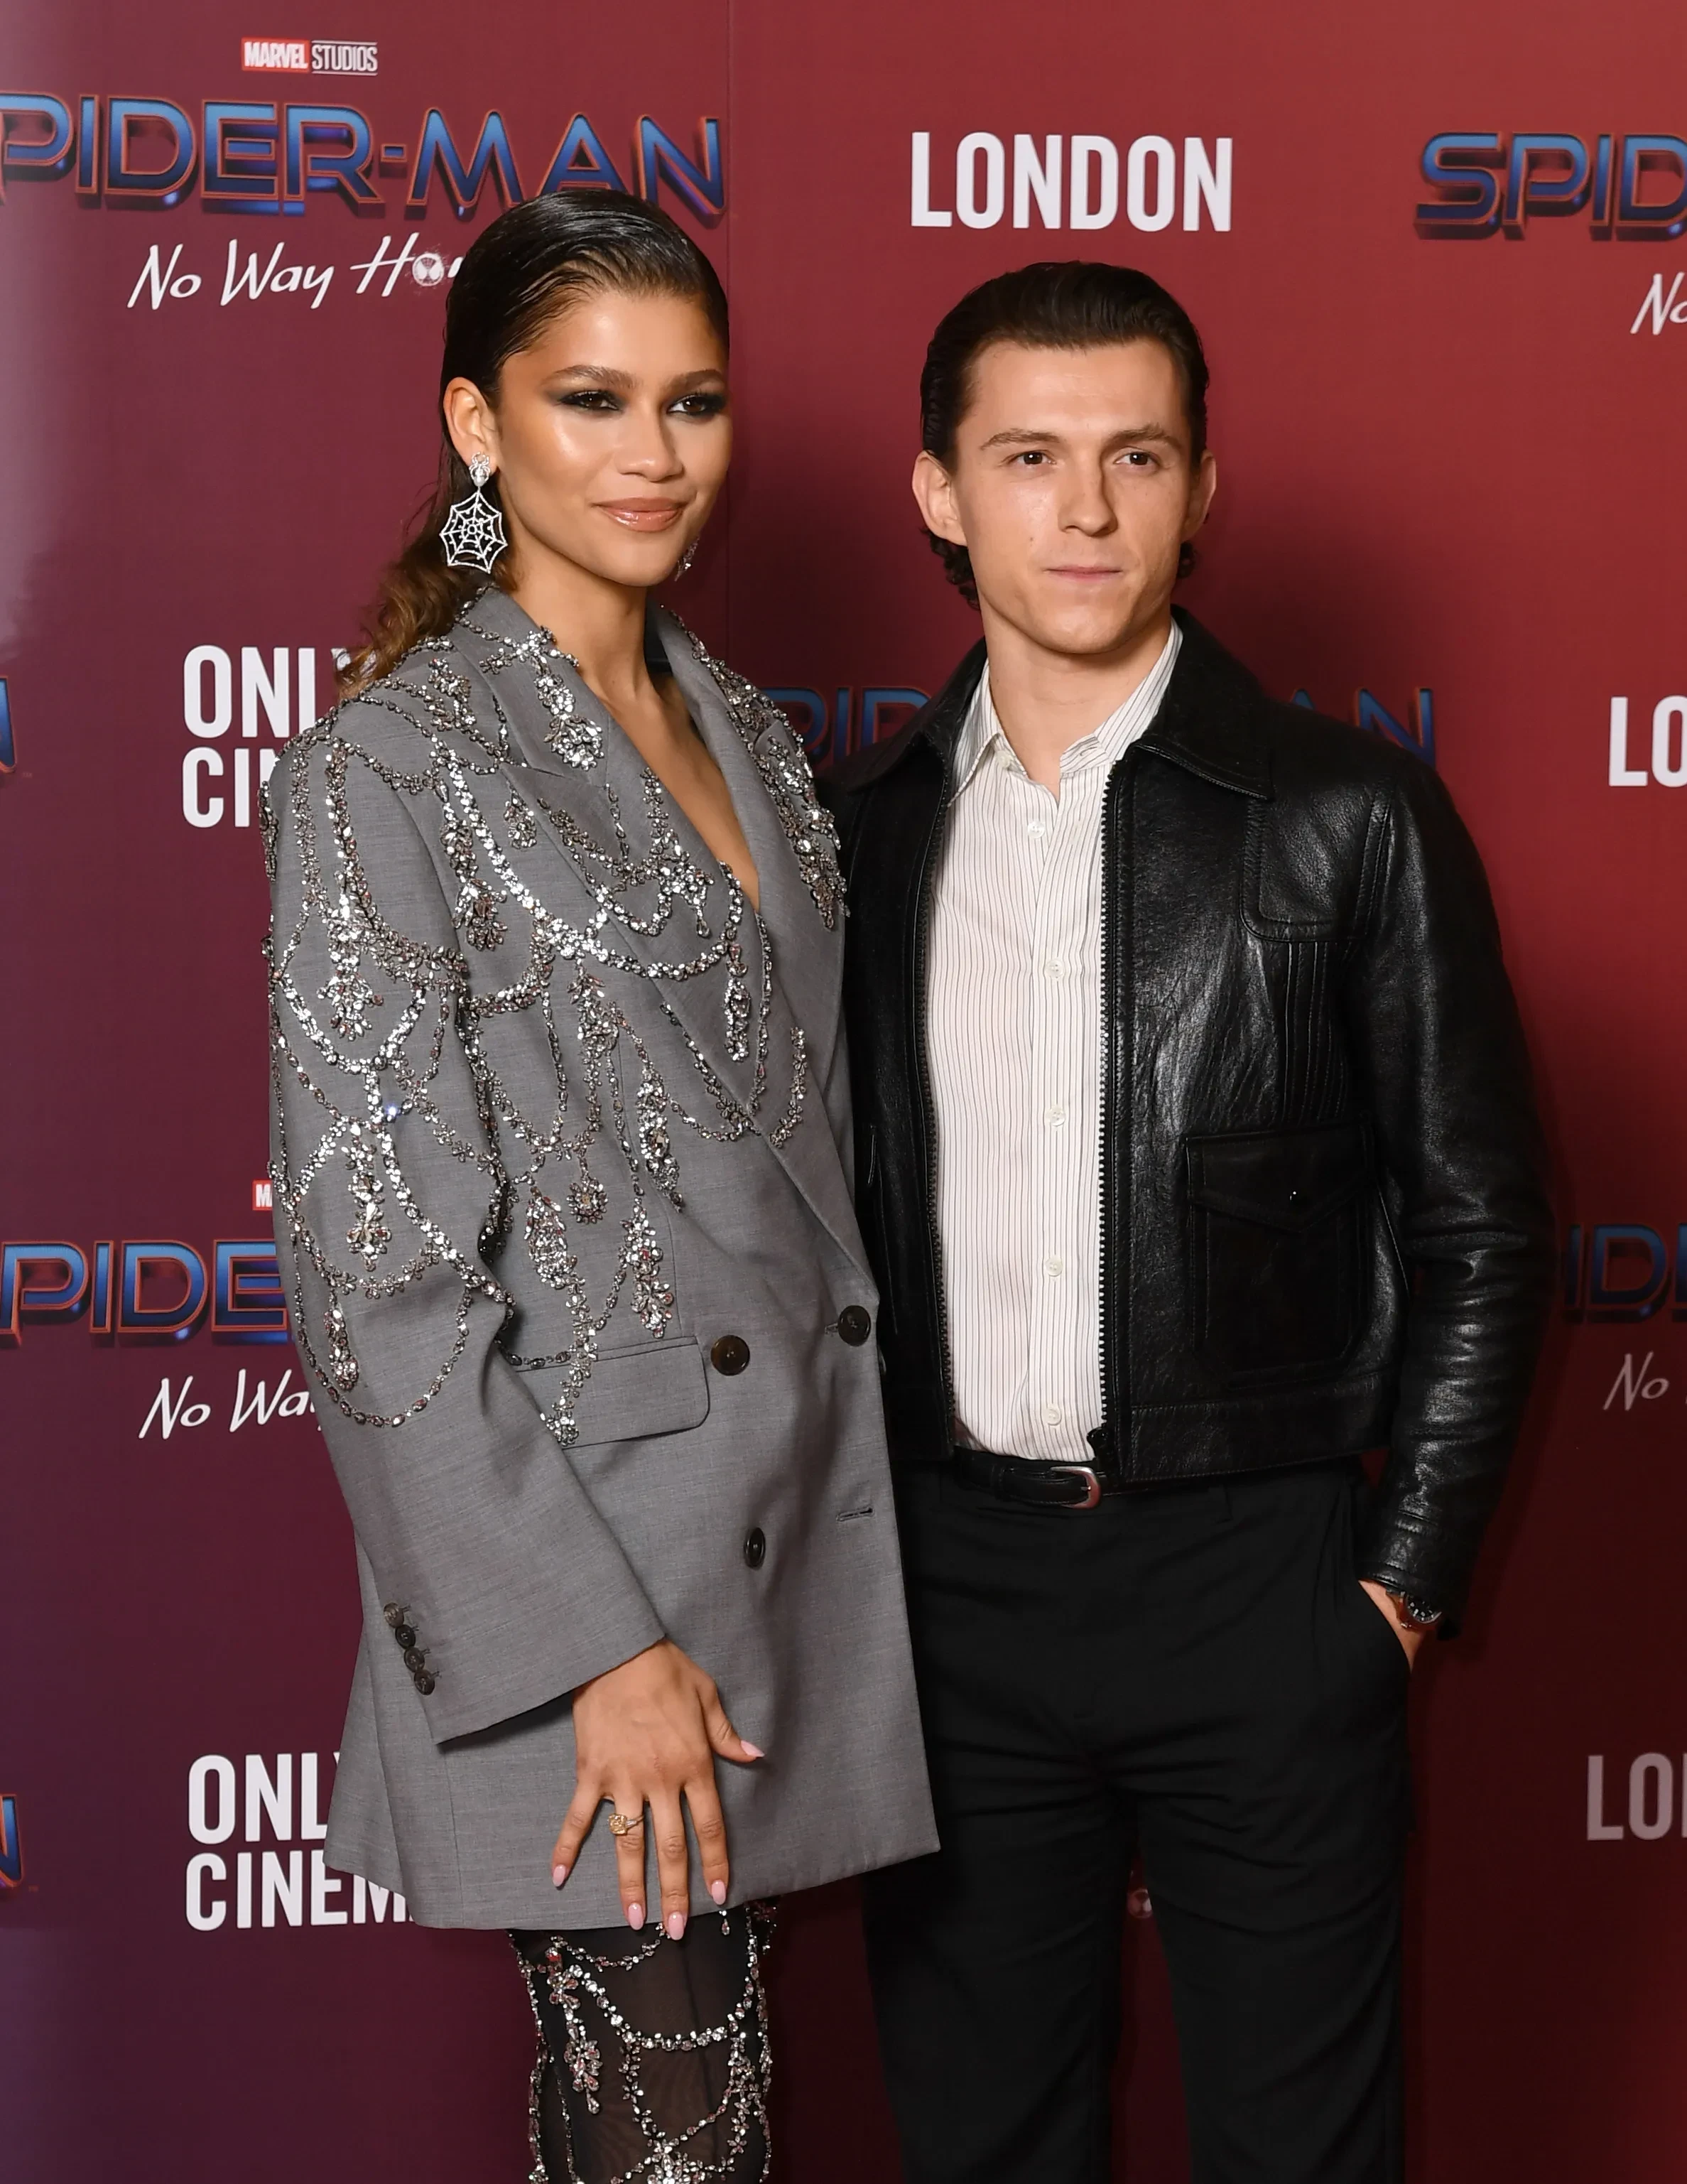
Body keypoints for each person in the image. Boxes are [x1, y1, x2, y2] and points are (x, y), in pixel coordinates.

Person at [823, 261, 1556, 2184]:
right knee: (985, 2148)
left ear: (1200, 486)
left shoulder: (1350, 816)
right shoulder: (859, 834)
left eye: (1135, 456)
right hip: (951, 1601)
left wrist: (1394, 1597)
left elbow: (1483, 1227)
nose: (1084, 508)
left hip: (1265, 1587)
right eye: (1029, 457)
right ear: (937, 490)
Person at [262, 189, 933, 2183]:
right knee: (680, 2140)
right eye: (592, 399)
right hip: (598, 1597)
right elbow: (380, 1279)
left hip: (788, 1537)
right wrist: (588, 1650)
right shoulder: (385, 769)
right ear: (477, 424)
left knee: (661, 2141)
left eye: (693, 402)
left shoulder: (754, 741)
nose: (654, 454)